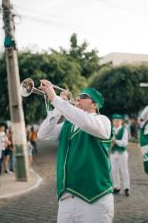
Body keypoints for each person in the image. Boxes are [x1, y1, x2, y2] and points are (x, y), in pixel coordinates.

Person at [37, 79, 114, 223]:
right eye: (78, 95)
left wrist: (55, 99)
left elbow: (84, 122)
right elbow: (42, 134)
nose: (78, 98)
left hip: (95, 198)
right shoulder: (67, 124)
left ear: (95, 104)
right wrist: (58, 106)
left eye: (84, 97)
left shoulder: (103, 121)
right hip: (66, 199)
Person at [110, 114, 130, 197]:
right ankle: (116, 187)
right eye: (114, 121)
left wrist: (115, 141)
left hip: (122, 153)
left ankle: (126, 188)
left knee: (124, 170)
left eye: (118, 121)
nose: (116, 122)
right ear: (112, 122)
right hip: (113, 152)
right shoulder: (111, 130)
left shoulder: (124, 130)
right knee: (114, 170)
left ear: (121, 121)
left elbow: (125, 143)